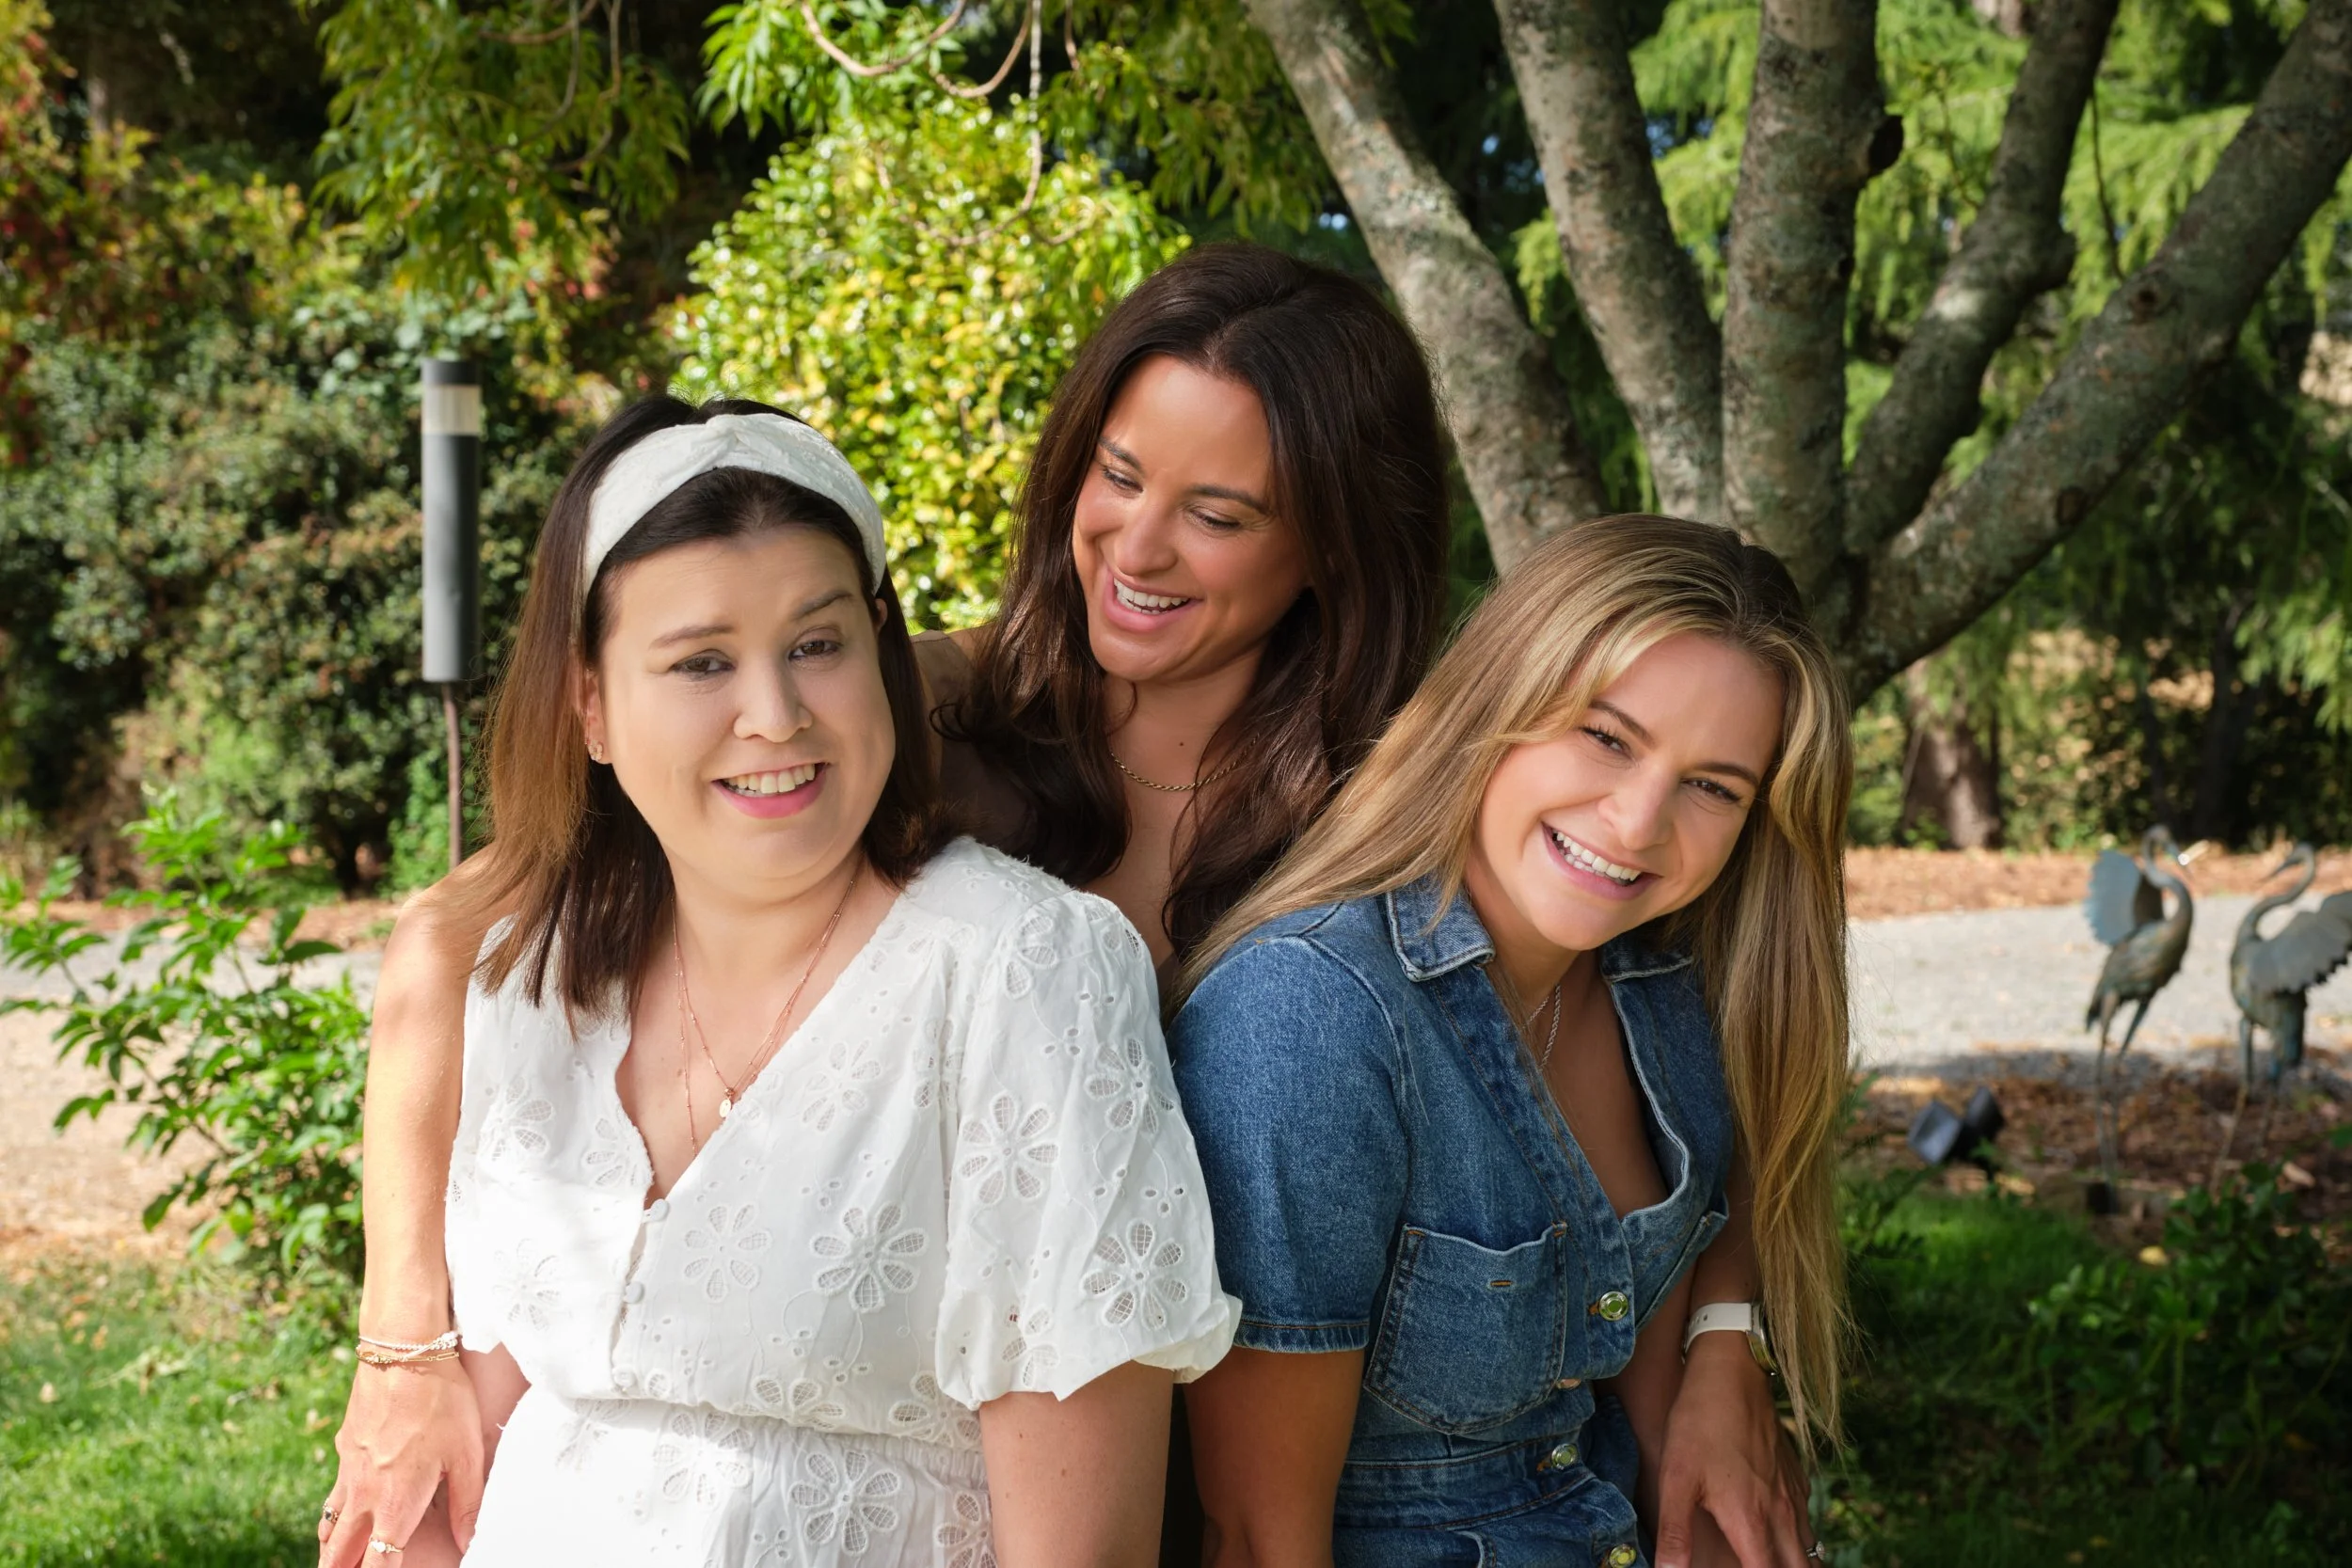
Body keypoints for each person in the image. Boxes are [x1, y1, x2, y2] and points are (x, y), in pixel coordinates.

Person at [326, 245, 1806, 1564]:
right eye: (1117, 475)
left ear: (1333, 545)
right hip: (976, 1453)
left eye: (1217, 511)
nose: (1138, 546)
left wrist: (1724, 1333)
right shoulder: (923, 729)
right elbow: (457, 937)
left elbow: (1634, 1058)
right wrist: (405, 1341)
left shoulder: (1405, 810)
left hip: (1290, 1480)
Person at [319, 400, 1238, 1565]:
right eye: (702, 660)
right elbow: (465, 1470)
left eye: (817, 644)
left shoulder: (1024, 970)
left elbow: (1080, 1547)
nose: (776, 714)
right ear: (590, 704)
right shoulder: (537, 975)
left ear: (881, 651)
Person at [1168, 515, 1851, 1567]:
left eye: (1712, 785)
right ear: (1500, 702)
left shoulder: (1665, 993)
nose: (1636, 821)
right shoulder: (1314, 1019)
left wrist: (1726, 1342)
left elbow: (1683, 1454)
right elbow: (1260, 1537)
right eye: (1606, 735)